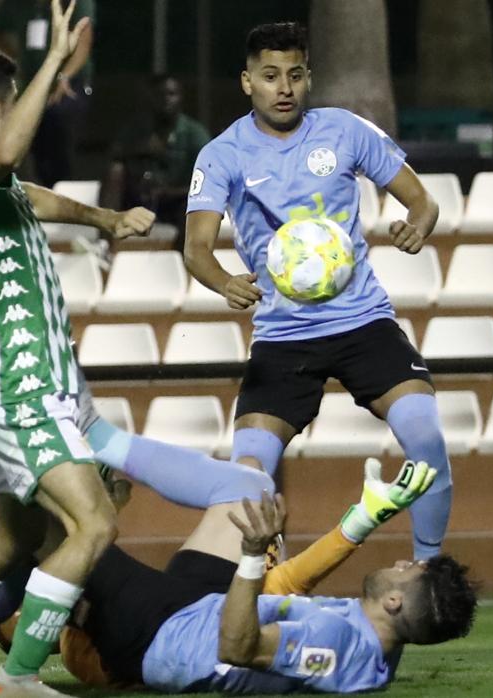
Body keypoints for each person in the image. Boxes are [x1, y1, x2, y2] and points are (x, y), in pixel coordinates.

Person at [0, 4, 275, 696]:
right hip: (26, 390)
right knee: (94, 524)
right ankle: (19, 677)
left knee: (10, 540)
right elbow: (5, 160)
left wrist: (105, 218)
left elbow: (29, 192)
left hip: (23, 390)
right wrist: (53, 64)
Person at [0, 459, 476, 695]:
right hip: (196, 608)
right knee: (247, 488)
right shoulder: (372, 645)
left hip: (165, 635)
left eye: (409, 569)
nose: (404, 559)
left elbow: (237, 648)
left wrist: (253, 558)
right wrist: (358, 521)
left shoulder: (340, 650)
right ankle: (103, 471)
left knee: (39, 523)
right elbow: (285, 598)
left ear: (395, 601)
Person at [184, 22, 452, 562]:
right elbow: (196, 248)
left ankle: (428, 569)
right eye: (269, 76)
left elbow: (421, 200)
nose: (283, 87)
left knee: (424, 437)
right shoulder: (222, 154)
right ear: (247, 82)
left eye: (295, 75)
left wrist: (416, 226)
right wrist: (225, 282)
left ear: (308, 78)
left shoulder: (345, 131)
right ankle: (260, 577)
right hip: (283, 335)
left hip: (363, 322)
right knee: (248, 470)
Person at [0, 0, 95, 185]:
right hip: (34, 84)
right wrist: (13, 59)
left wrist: (64, 76)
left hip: (66, 85)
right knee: (35, 145)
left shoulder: (75, 4)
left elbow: (84, 39)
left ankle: (66, 186)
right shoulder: (20, 6)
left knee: (60, 132)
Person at [101, 74, 212, 251]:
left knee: (193, 208)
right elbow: (113, 155)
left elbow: (209, 181)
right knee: (115, 171)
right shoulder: (137, 128)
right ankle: (104, 247)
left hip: (175, 202)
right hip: (139, 200)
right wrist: (141, 149)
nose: (166, 100)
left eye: (171, 94)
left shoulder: (194, 133)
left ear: (181, 97)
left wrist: (170, 191)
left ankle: (184, 259)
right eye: (160, 95)